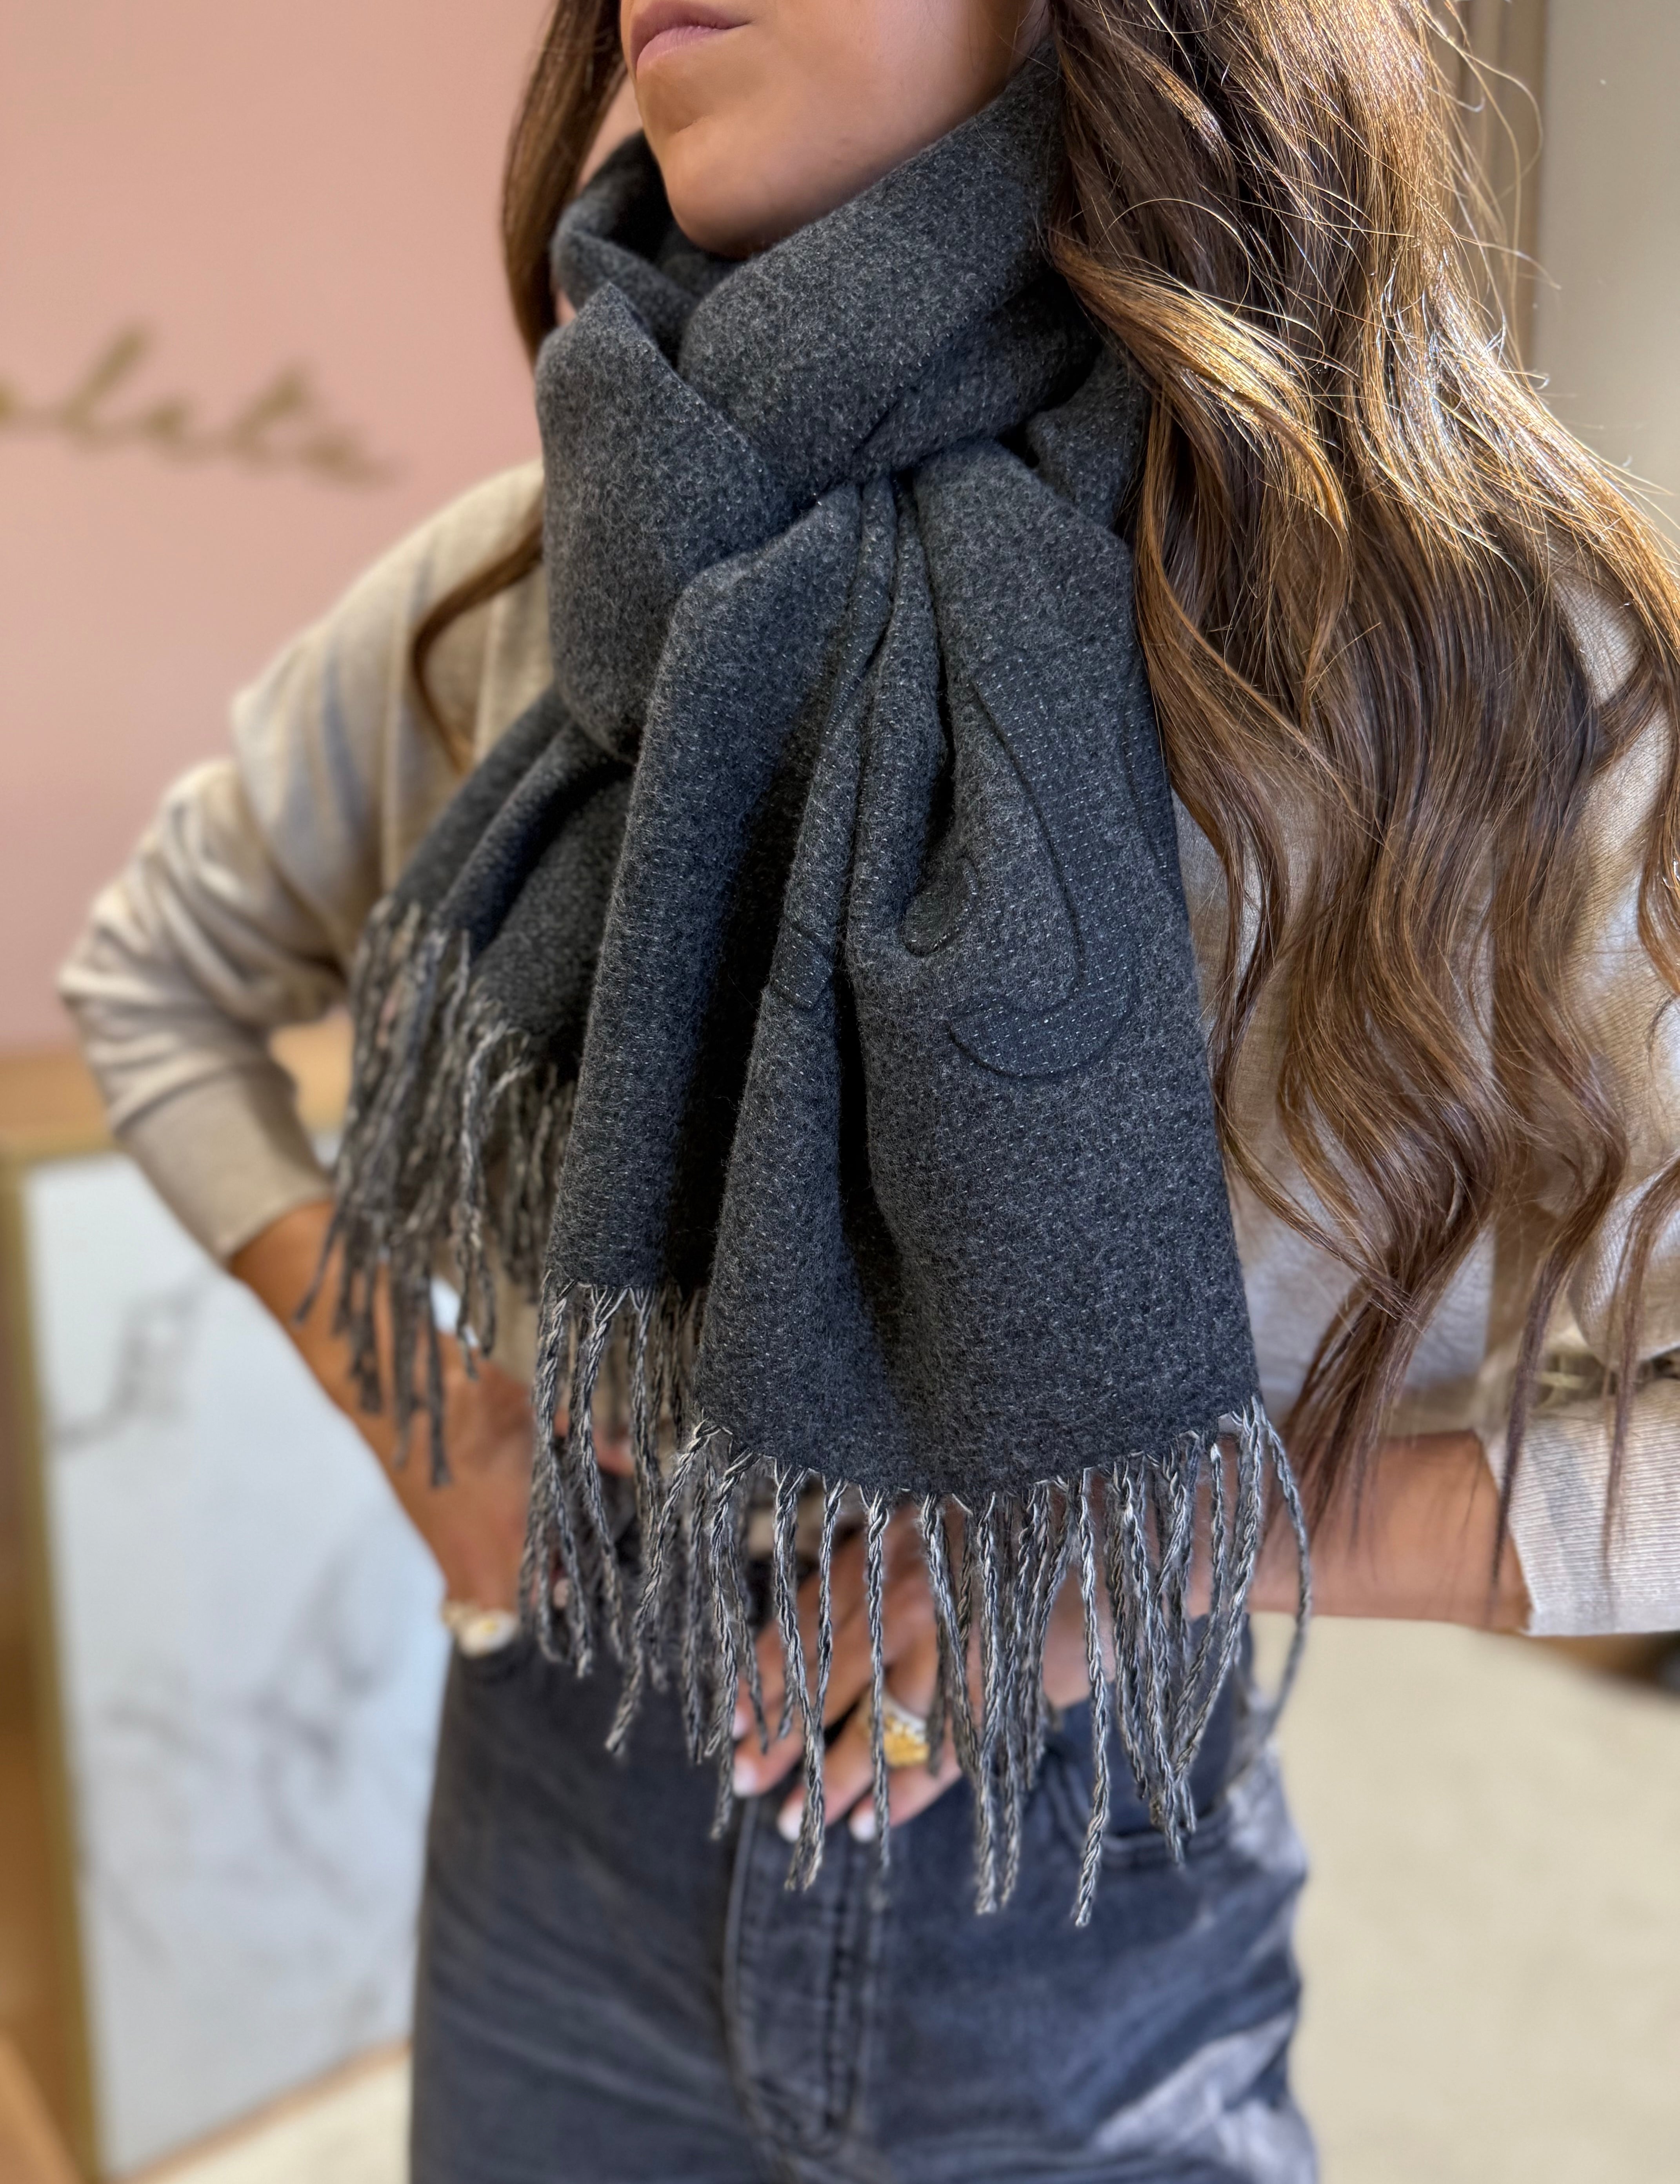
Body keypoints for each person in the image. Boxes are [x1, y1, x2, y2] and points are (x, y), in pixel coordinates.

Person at [62, 2, 1680, 2178]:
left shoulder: (1465, 678)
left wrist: (1183, 1548)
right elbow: (154, 978)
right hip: (562, 1830)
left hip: (1083, 1904)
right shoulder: (526, 592)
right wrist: (427, 1416)